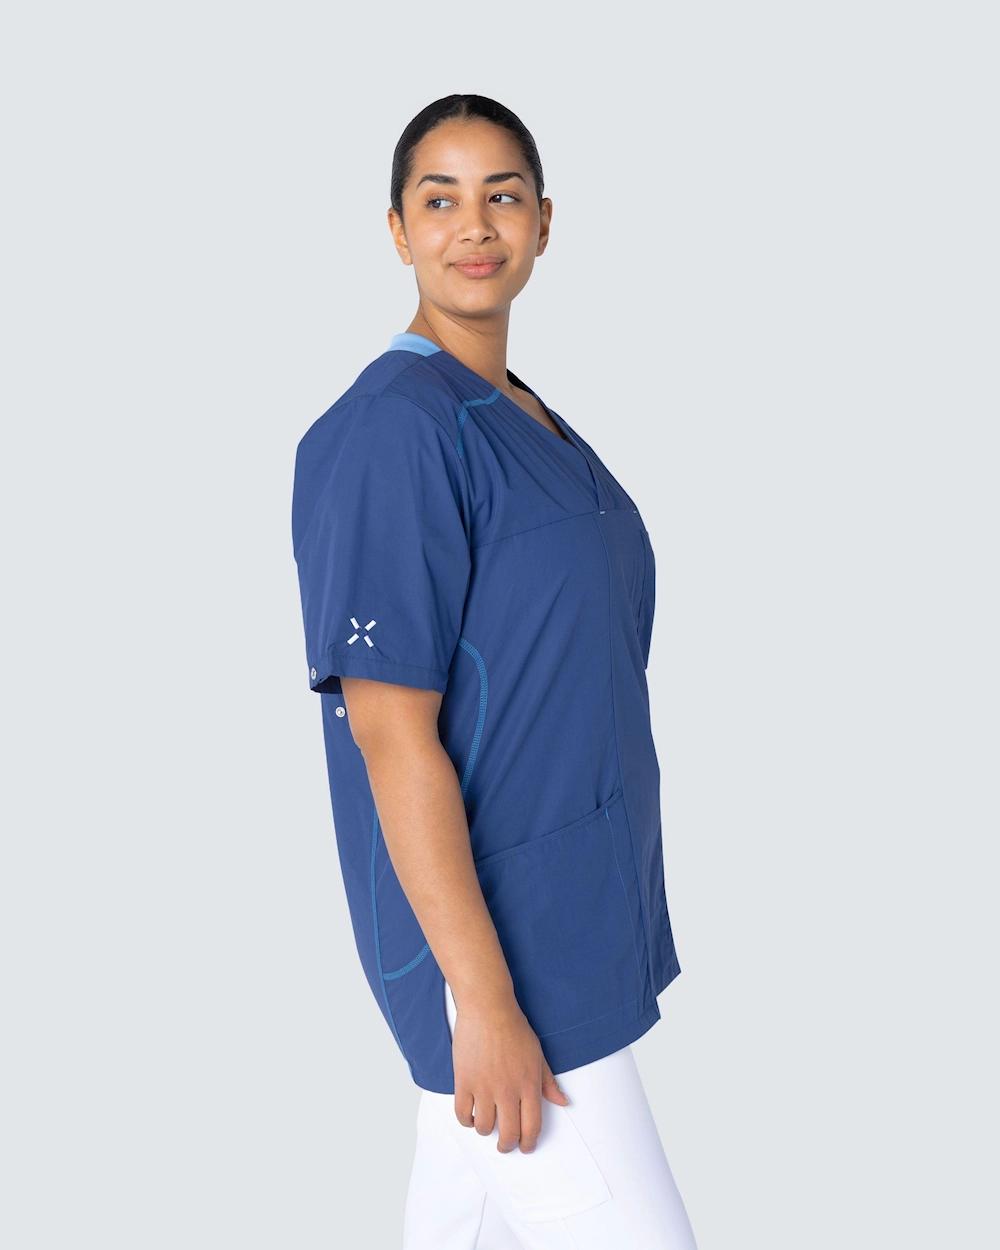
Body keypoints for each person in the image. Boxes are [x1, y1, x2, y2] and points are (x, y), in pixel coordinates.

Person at [292, 94, 697, 1250]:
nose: (474, 225)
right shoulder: (391, 431)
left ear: (543, 222)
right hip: (506, 970)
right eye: (440, 199)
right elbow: (390, 736)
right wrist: (484, 999)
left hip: (573, 926)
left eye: (502, 195)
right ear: (397, 229)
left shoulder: (528, 419)